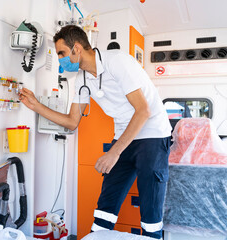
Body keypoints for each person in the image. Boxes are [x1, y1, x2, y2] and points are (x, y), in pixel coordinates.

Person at [19, 25, 172, 239]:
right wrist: (36, 106)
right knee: (106, 203)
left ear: (77, 48)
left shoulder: (117, 61)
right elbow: (72, 122)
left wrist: (114, 152)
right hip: (124, 135)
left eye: (62, 53)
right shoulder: (81, 79)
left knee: (150, 211)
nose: (60, 59)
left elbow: (143, 111)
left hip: (152, 135)